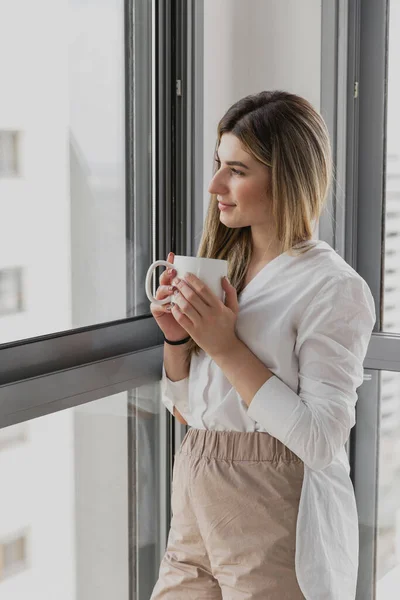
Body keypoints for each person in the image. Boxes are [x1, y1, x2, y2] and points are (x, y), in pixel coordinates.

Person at [149, 90, 376, 599]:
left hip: (273, 515)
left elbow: (320, 440)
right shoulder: (222, 268)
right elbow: (191, 416)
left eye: (237, 170)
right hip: (194, 494)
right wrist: (178, 339)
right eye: (218, 165)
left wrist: (225, 347)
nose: (214, 186)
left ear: (287, 178)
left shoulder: (333, 288)